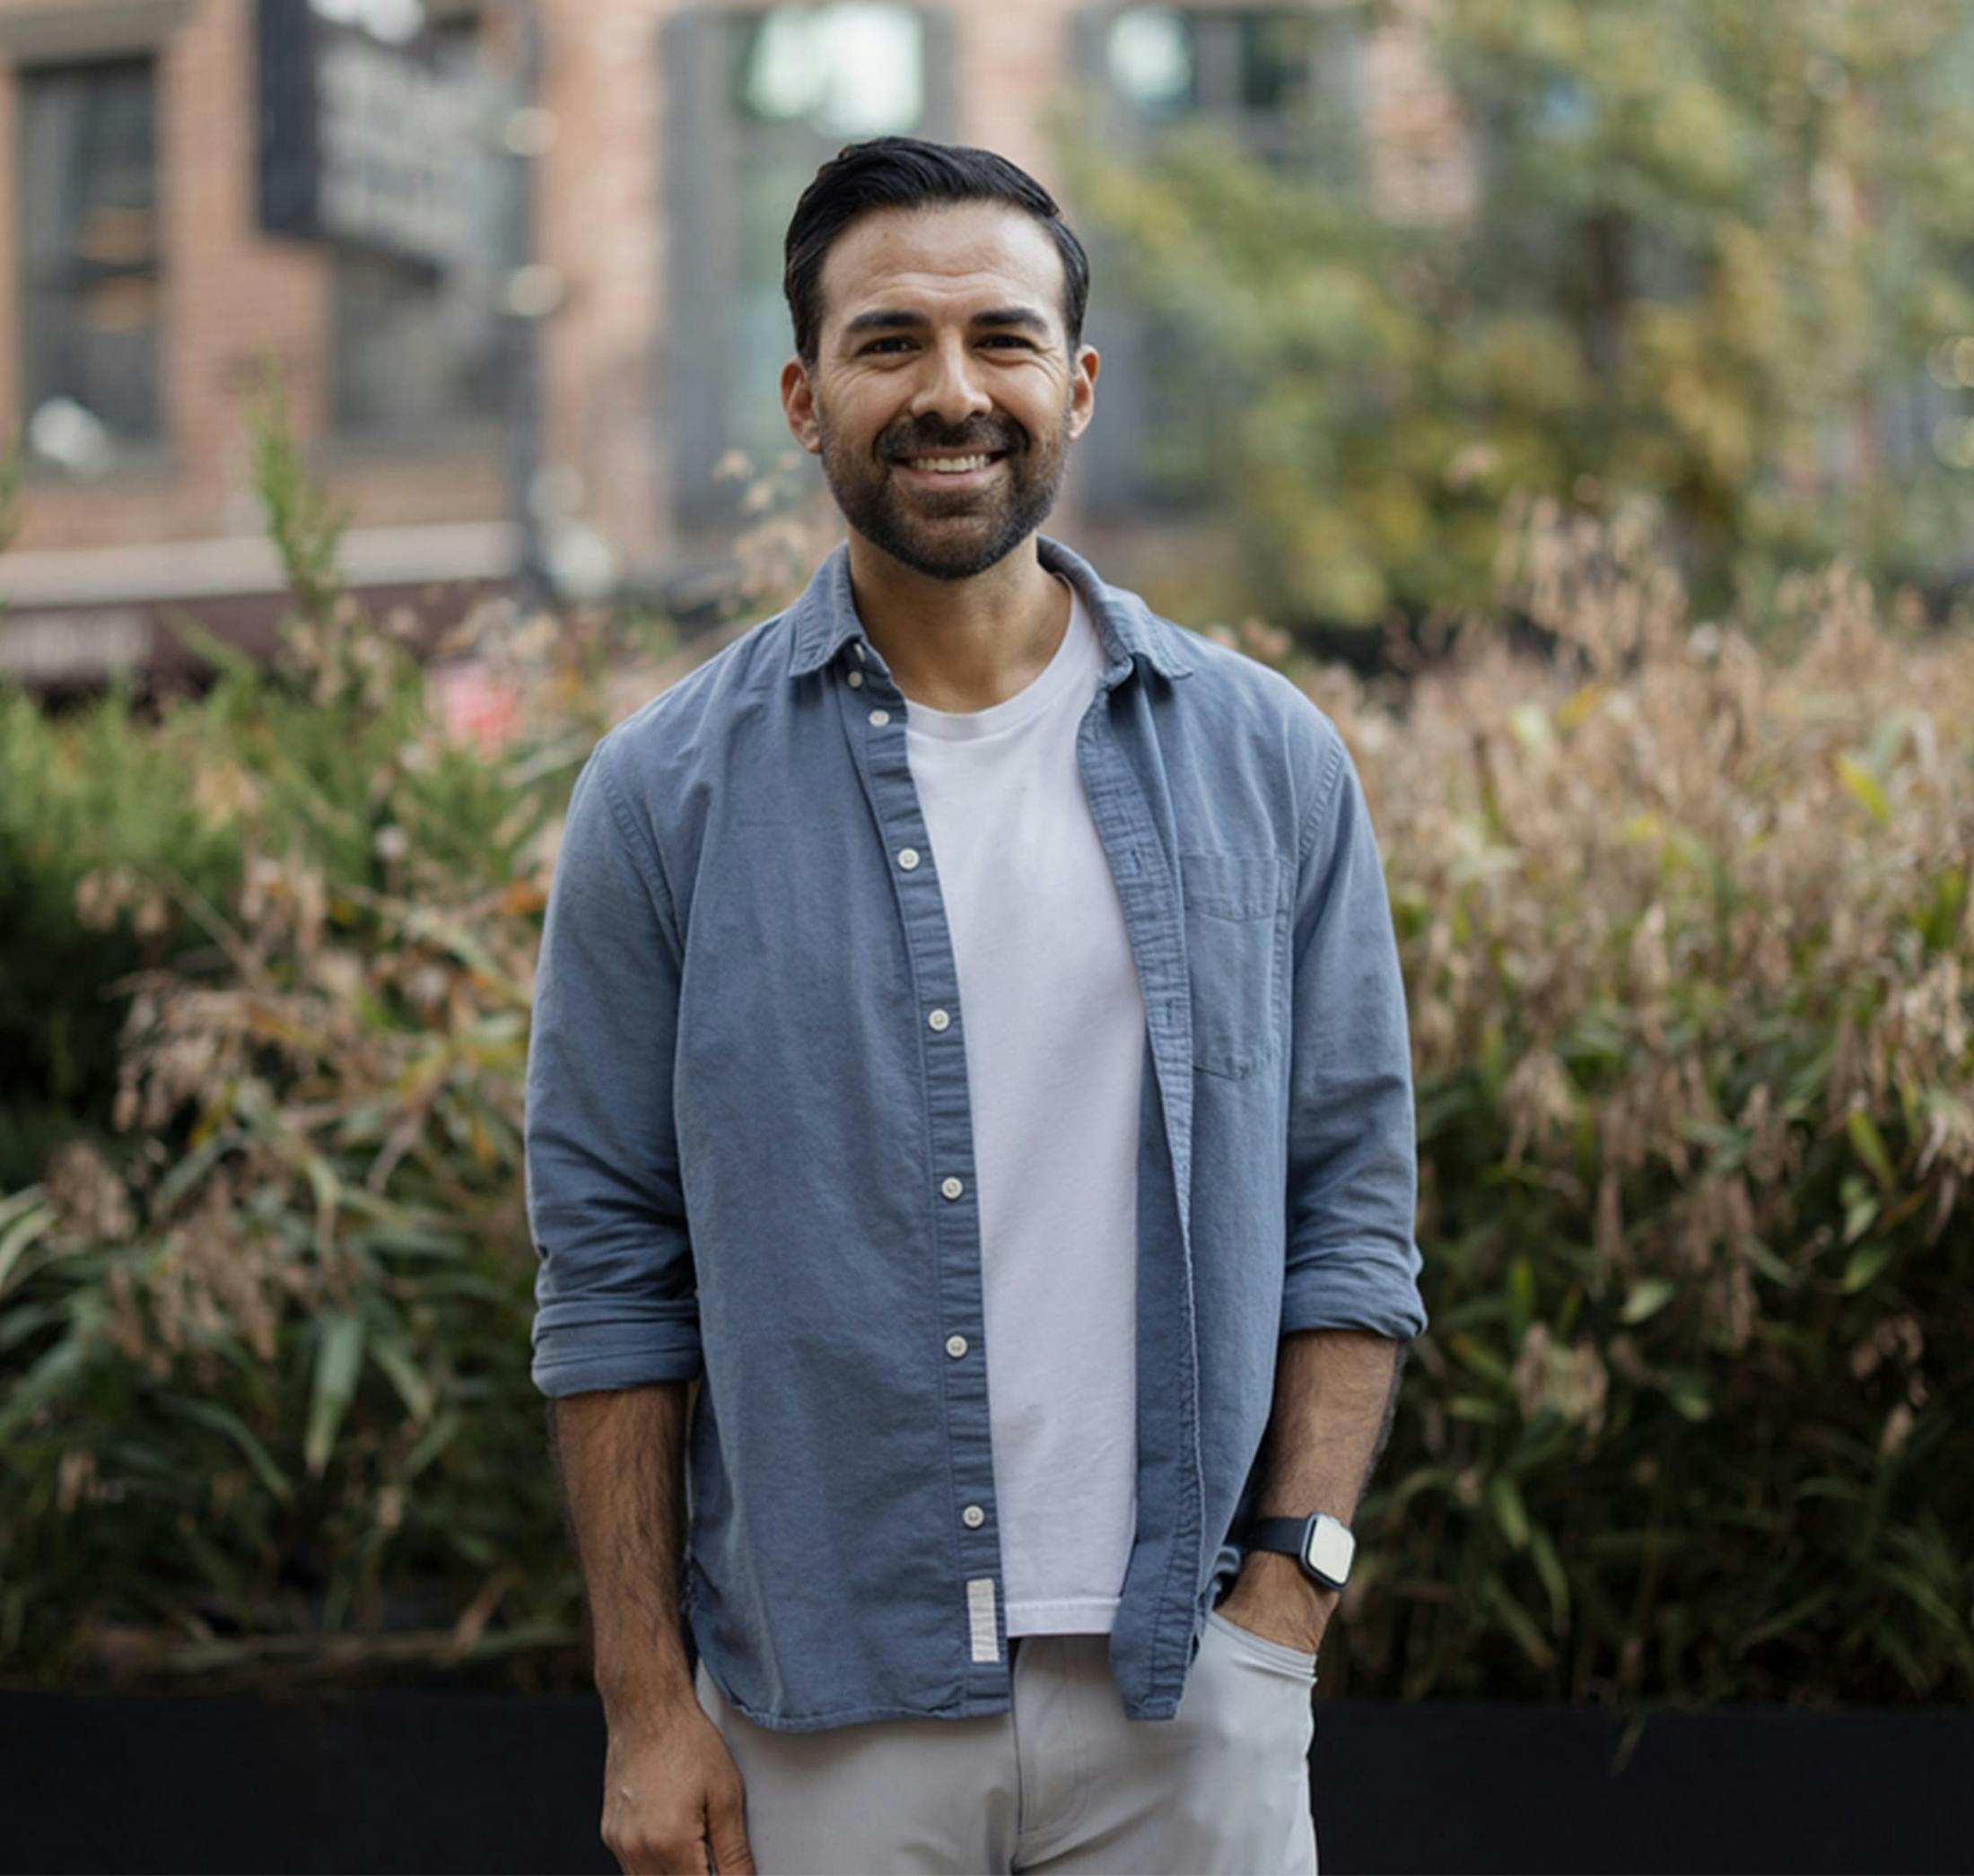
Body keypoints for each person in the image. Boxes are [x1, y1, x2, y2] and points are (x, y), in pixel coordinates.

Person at [525, 135, 1428, 1876]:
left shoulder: (1267, 763)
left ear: (1075, 384)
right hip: (822, 1712)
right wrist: (646, 1695)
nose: (951, 391)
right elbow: (610, 1262)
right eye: (887, 344)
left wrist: (1286, 1595)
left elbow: (1350, 1206)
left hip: (1190, 1692)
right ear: (802, 395)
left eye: (1000, 339)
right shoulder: (662, 794)